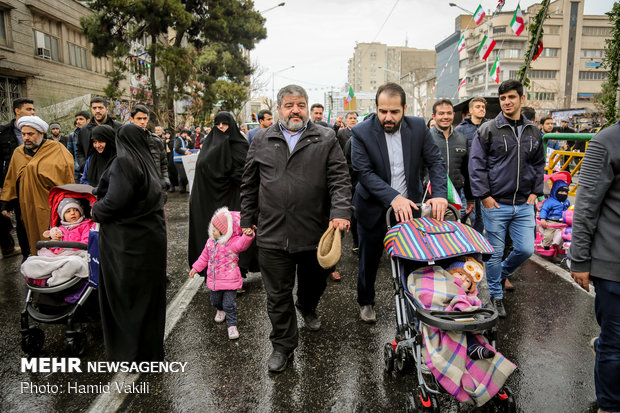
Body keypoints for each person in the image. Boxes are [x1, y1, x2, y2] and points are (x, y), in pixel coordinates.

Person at [240, 84, 352, 373]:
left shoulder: (325, 137)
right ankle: (282, 345)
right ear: (279, 108)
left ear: (307, 107)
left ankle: (307, 305)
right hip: (272, 234)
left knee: (315, 282)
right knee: (277, 295)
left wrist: (340, 212)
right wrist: (246, 219)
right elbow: (250, 183)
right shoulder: (262, 139)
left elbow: (340, 179)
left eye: (300, 105)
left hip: (313, 233)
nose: (295, 110)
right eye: (289, 105)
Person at [351, 82, 448, 323]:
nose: (388, 117)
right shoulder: (361, 132)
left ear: (404, 108)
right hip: (373, 206)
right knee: (369, 258)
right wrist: (394, 198)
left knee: (413, 258)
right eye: (383, 111)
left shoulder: (418, 127)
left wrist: (440, 195)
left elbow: (435, 162)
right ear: (376, 108)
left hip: (410, 207)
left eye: (394, 111)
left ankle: (414, 303)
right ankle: (366, 302)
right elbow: (364, 173)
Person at [469, 79, 545, 318]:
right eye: (502, 98)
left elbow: (538, 164)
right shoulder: (488, 129)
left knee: (525, 249)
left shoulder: (533, 131)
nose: (507, 102)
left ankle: (498, 275)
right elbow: (477, 165)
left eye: (511, 97)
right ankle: (495, 296)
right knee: (495, 252)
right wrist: (485, 197)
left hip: (523, 204)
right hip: (496, 204)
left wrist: (535, 192)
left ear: (522, 99)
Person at [92, 123, 166, 361]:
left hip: (126, 245)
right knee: (147, 300)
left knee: (127, 300)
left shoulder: (124, 163)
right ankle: (148, 352)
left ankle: (130, 354)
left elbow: (115, 202)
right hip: (150, 240)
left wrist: (95, 210)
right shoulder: (148, 163)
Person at [569, 119, 620, 413]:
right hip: (613, 266)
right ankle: (610, 406)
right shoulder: (607, 141)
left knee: (612, 343)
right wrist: (579, 259)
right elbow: (586, 203)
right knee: (615, 347)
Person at [0, 116, 74, 256]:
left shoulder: (56, 149)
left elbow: (67, 176)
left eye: (30, 134)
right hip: (26, 207)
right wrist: (6, 204)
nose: (26, 137)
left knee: (53, 239)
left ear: (41, 134)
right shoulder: (18, 152)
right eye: (23, 134)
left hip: (51, 206)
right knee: (29, 240)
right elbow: (11, 178)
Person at [188, 111, 250, 272]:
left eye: (225, 124)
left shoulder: (240, 145)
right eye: (218, 124)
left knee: (234, 237)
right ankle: (213, 272)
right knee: (213, 236)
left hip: (233, 198)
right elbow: (202, 169)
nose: (221, 127)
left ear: (232, 125)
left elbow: (246, 172)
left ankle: (237, 274)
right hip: (210, 199)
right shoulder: (209, 144)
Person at [189, 207, 255, 340]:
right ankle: (220, 310)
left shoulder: (233, 244)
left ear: (224, 231)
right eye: (212, 228)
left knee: (229, 304)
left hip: (230, 282)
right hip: (215, 282)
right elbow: (204, 258)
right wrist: (196, 268)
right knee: (215, 301)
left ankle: (232, 325)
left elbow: (243, 243)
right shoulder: (210, 243)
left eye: (215, 229)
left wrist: (248, 235)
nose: (212, 231)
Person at [21, 198, 95, 286]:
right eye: (68, 211)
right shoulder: (59, 229)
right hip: (57, 257)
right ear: (62, 215)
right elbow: (54, 247)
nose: (72, 213)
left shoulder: (86, 225)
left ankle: (54, 280)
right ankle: (42, 276)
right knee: (29, 262)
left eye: (76, 210)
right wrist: (53, 242)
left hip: (76, 255)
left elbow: (86, 241)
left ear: (81, 212)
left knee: (73, 264)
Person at [0, 98, 35, 259]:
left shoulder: (39, 131)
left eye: (33, 109)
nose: (32, 112)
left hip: (34, 185)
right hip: (14, 184)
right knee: (21, 223)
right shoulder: (4, 133)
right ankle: (27, 258)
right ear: (17, 111)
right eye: (29, 109)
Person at [430, 99, 474, 216]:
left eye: (449, 113)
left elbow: (466, 170)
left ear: (454, 115)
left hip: (456, 198)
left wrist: (470, 198)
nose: (445, 117)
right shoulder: (426, 138)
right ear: (434, 116)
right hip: (431, 198)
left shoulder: (462, 139)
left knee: (452, 232)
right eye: (441, 113)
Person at [455, 97, 488, 234]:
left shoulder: (490, 127)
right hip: (467, 179)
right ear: (470, 110)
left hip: (486, 179)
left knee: (482, 216)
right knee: (465, 211)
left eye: (483, 107)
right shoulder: (460, 130)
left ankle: (477, 246)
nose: (481, 109)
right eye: (478, 106)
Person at [75, 97, 122, 175]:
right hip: (91, 175)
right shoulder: (84, 130)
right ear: (91, 109)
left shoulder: (118, 128)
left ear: (107, 109)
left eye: (100, 108)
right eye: (94, 108)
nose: (97, 111)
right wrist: (84, 166)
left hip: (114, 174)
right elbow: (79, 151)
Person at [129, 105, 169, 194]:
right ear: (131, 119)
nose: (142, 122)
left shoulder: (156, 141)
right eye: (139, 119)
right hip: (135, 190)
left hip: (155, 188)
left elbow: (163, 163)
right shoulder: (126, 140)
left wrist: (164, 182)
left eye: (144, 118)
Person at [538, 180, 570, 249]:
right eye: (561, 191)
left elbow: (569, 211)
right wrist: (543, 219)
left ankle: (559, 246)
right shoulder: (550, 201)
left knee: (565, 234)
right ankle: (545, 245)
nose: (563, 194)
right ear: (555, 191)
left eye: (565, 192)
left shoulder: (566, 202)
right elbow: (544, 210)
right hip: (551, 222)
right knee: (548, 235)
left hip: (562, 222)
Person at [68, 111, 90, 181]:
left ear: (88, 121)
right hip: (76, 171)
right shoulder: (72, 135)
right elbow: (69, 154)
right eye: (77, 119)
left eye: (81, 119)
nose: (78, 121)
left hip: (90, 170)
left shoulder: (94, 133)